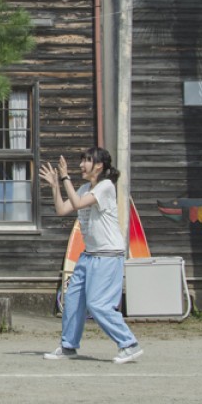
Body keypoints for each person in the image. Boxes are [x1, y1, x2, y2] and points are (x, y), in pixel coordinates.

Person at [39, 147, 143, 364]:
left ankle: (129, 344)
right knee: (73, 300)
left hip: (108, 255)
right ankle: (68, 346)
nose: (81, 165)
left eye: (86, 160)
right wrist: (56, 186)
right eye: (82, 160)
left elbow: (77, 204)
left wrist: (65, 176)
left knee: (98, 304)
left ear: (99, 165)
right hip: (89, 255)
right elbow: (62, 209)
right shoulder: (86, 187)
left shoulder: (105, 187)